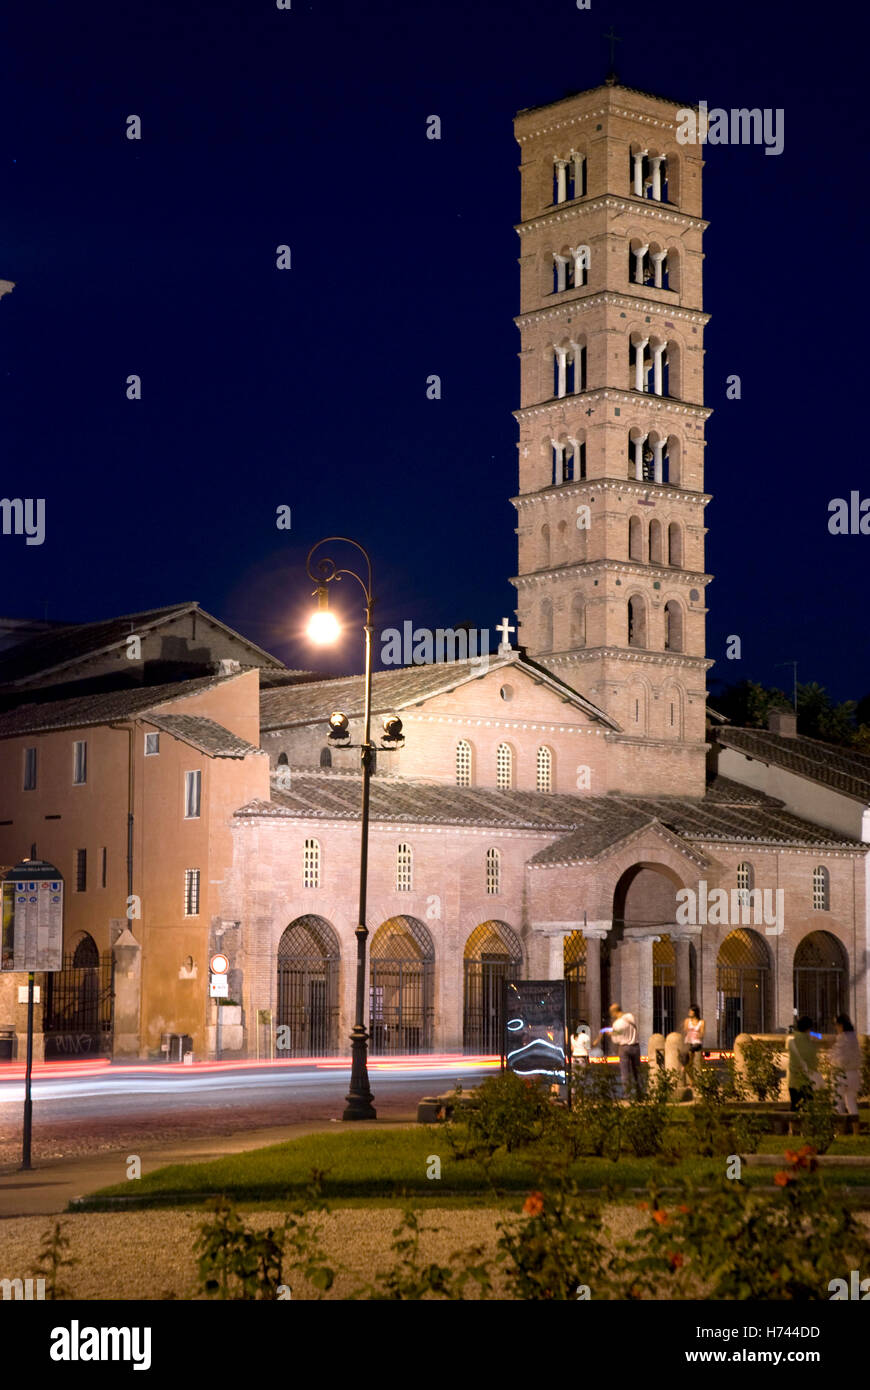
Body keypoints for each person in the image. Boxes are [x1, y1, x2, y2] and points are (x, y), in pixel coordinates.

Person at [595, 1002, 641, 1097]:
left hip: (624, 1048)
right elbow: (626, 1030)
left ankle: (627, 1095)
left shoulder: (617, 1023)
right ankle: (639, 1092)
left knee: (625, 1073)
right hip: (635, 1046)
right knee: (637, 1071)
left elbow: (616, 1040)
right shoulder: (630, 1017)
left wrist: (611, 1034)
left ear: (614, 1012)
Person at [829, 1013, 861, 1131]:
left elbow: (836, 1058)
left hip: (841, 1075)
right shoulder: (854, 1039)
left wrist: (830, 1059)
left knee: (838, 1102)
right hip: (854, 1074)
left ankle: (840, 1129)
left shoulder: (842, 1040)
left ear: (841, 1025)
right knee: (851, 1102)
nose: (836, 1028)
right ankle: (855, 1130)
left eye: (836, 1025)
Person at [787, 1015, 820, 1111]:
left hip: (793, 1081)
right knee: (808, 1109)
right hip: (808, 1082)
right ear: (809, 1028)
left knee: (794, 1108)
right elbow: (814, 1064)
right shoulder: (812, 1045)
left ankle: (792, 1127)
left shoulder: (791, 1042)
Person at [682, 1005, 705, 1073]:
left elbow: (702, 1033)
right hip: (688, 1041)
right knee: (684, 1053)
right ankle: (688, 1067)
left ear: (695, 1012)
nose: (689, 1012)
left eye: (690, 1011)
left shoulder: (701, 1022)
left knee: (691, 1050)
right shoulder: (687, 1021)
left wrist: (698, 1035)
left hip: (696, 1042)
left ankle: (688, 1064)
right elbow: (685, 1030)